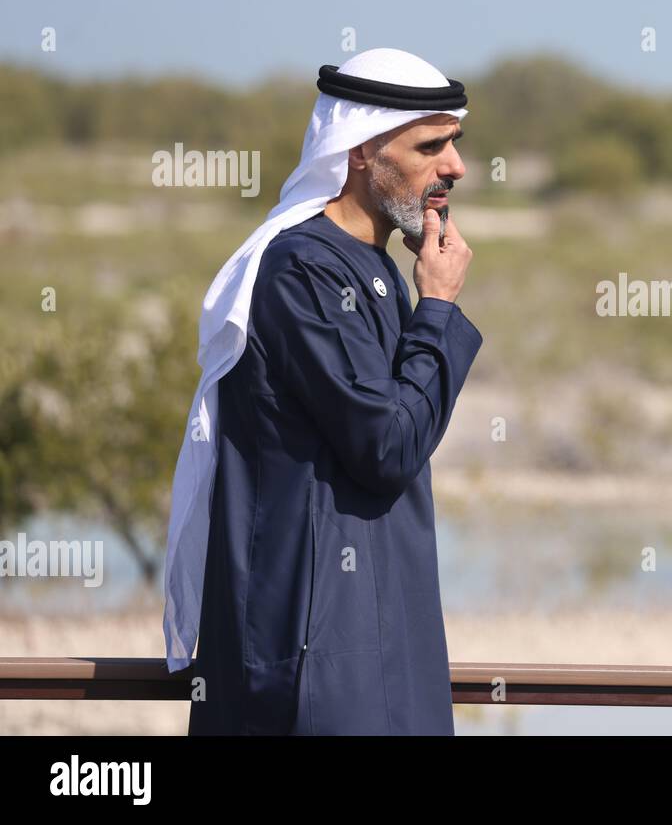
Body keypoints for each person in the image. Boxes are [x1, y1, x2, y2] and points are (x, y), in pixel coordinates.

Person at [164, 48, 482, 734]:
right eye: (431, 146)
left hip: (369, 641)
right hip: (316, 659)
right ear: (362, 150)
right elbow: (387, 446)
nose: (454, 167)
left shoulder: (369, 267)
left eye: (454, 144)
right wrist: (438, 311)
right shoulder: (303, 271)